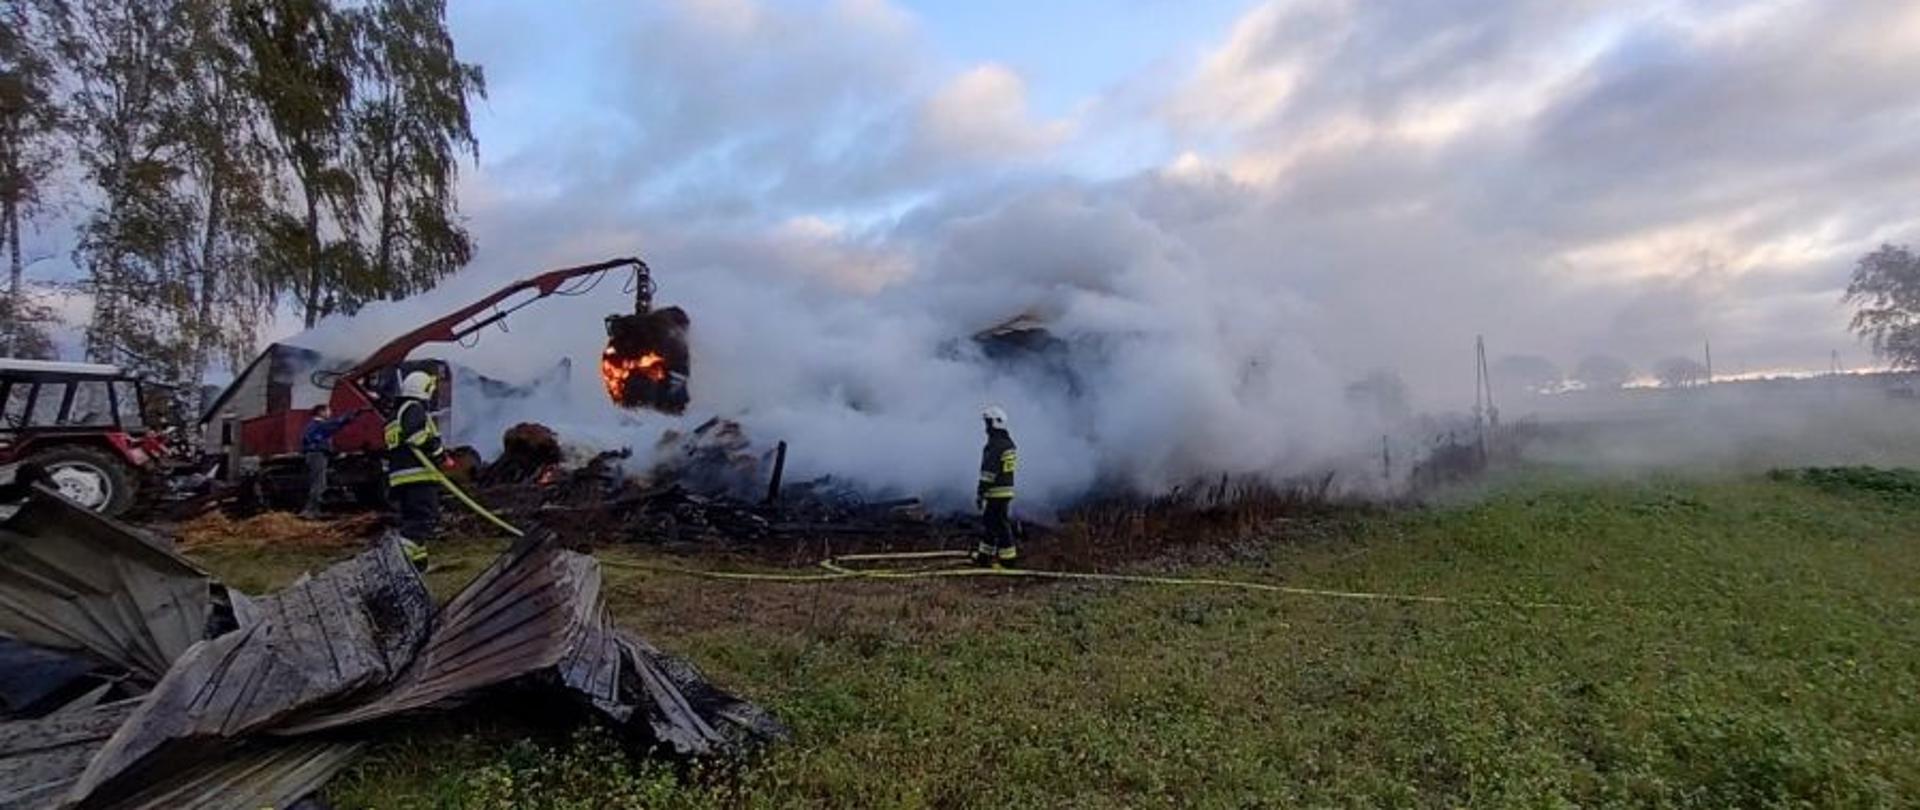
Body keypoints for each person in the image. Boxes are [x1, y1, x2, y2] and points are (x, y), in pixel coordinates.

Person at [385, 371, 448, 567]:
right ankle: (394, 560)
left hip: (402, 479)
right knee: (423, 521)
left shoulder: (397, 413)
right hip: (418, 476)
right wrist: (438, 450)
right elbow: (416, 436)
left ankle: (418, 566)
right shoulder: (414, 408)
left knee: (413, 521)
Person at [973, 405, 1019, 567]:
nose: (986, 427)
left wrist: (981, 492)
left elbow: (988, 472)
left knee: (998, 524)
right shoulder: (1007, 443)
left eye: (987, 423)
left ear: (995, 423)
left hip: (995, 491)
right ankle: (984, 555)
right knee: (991, 523)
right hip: (1005, 490)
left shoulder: (995, 446)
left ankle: (1008, 560)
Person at [298, 403, 357, 520]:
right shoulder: (318, 425)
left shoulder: (312, 426)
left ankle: (315, 510)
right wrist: (351, 415)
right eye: (328, 411)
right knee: (319, 483)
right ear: (321, 412)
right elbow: (336, 424)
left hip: (314, 455)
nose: (329, 413)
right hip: (317, 455)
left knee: (318, 482)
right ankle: (309, 511)